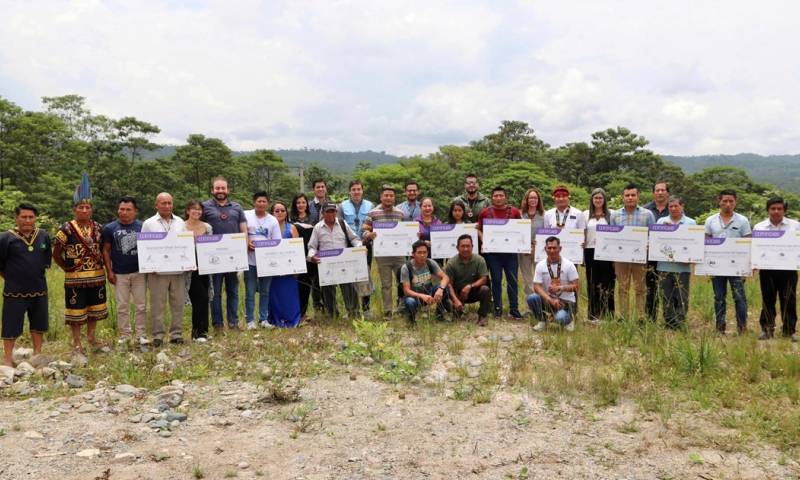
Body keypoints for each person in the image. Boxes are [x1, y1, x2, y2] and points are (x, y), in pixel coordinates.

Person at [52, 174, 108, 357]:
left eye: (87, 207)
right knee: (76, 312)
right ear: (75, 209)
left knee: (94, 310)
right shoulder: (66, 228)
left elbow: (104, 249)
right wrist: (67, 268)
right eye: (81, 207)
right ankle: (77, 343)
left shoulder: (99, 227)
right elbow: (56, 253)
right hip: (75, 279)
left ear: (91, 210)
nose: (84, 210)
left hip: (97, 276)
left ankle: (91, 339)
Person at [0, 204, 51, 367]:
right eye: (24, 217)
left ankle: (37, 355)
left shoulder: (43, 236)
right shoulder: (6, 238)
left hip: (39, 288)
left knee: (39, 323)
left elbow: (46, 260)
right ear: (17, 218)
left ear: (35, 218)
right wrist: (13, 278)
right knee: (10, 324)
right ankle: (8, 358)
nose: (27, 220)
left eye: (31, 217)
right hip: (14, 290)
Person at [202, 176, 247, 332]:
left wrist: (243, 251)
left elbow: (244, 230)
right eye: (217, 188)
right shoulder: (204, 207)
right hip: (213, 258)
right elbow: (197, 227)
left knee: (233, 291)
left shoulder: (237, 207)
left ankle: (233, 323)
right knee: (215, 293)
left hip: (233, 257)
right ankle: (218, 324)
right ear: (212, 190)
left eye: (223, 188)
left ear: (228, 190)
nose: (220, 191)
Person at [704, 189, 752, 335]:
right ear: (719, 201)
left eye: (731, 201)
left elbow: (749, 243)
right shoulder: (710, 220)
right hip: (716, 267)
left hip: (737, 267)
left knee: (739, 297)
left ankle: (742, 328)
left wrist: (749, 265)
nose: (728, 204)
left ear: (735, 202)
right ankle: (720, 328)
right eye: (725, 201)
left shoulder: (743, 220)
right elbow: (705, 242)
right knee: (719, 297)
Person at [141, 192, 186, 346]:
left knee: (178, 303)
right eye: (163, 203)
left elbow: (184, 245)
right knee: (157, 304)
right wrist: (148, 266)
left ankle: (176, 334)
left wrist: (188, 263)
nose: (167, 206)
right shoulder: (148, 223)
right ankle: (158, 335)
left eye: (169, 203)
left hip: (178, 271)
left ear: (173, 204)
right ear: (156, 205)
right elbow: (144, 247)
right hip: (157, 272)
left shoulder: (181, 222)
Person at [101, 196, 146, 347]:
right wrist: (109, 271)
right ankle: (125, 335)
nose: (124, 212)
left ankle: (141, 334)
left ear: (135, 212)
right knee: (122, 306)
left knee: (141, 305)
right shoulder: (109, 228)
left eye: (128, 210)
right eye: (122, 209)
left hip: (140, 271)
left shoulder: (143, 227)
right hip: (119, 272)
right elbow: (106, 251)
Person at [753, 197, 798, 341]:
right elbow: (755, 248)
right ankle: (767, 329)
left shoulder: (796, 226)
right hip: (767, 270)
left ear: (784, 210)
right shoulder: (759, 227)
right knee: (768, 299)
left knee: (789, 300)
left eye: (780, 208)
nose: (776, 211)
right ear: (768, 210)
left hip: (789, 270)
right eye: (773, 208)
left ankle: (789, 331)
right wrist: (754, 263)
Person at [610, 183, 656, 320]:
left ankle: (641, 317)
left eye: (633, 195)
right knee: (623, 288)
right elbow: (611, 237)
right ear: (623, 197)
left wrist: (649, 245)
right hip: (621, 259)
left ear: (638, 196)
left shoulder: (647, 214)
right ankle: (623, 316)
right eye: (627, 195)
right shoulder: (615, 215)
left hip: (640, 258)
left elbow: (654, 235)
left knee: (640, 289)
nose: (630, 198)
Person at [308, 203, 362, 318]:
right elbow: (312, 246)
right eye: (328, 211)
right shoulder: (318, 227)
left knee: (349, 287)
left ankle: (354, 313)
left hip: (344, 263)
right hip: (326, 265)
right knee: (328, 290)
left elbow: (354, 239)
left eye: (333, 211)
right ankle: (332, 315)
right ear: (322, 213)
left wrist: (359, 248)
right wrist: (311, 256)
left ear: (336, 212)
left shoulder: (342, 224)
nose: (331, 214)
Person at [477, 186, 523, 319]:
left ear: (505, 197)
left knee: (512, 281)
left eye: (501, 195)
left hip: (511, 254)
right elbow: (479, 229)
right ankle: (497, 309)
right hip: (493, 254)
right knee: (496, 281)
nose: (498, 198)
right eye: (495, 196)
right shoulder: (485, 212)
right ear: (492, 198)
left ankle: (514, 309)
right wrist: (483, 240)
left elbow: (521, 229)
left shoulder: (514, 212)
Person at [362, 185, 406, 318]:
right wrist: (368, 235)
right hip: (382, 255)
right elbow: (364, 231)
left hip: (399, 254)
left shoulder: (400, 213)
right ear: (381, 197)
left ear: (394, 198)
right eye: (386, 195)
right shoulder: (372, 213)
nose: (388, 198)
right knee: (386, 284)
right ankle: (388, 311)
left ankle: (402, 307)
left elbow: (405, 231)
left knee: (403, 281)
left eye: (391, 196)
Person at [656, 196, 695, 329]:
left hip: (683, 267)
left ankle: (680, 322)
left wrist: (691, 257)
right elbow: (657, 242)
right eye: (670, 206)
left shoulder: (691, 223)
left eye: (676, 206)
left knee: (682, 297)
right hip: (663, 266)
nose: (673, 208)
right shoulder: (661, 221)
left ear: (682, 206)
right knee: (666, 296)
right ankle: (669, 323)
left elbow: (695, 244)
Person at [243, 191, 281, 329]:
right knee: (250, 291)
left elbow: (277, 241)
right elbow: (240, 233)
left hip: (266, 263)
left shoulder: (272, 220)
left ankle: (263, 319)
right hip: (250, 261)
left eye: (264, 201)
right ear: (254, 202)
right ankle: (250, 320)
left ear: (267, 203)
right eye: (259, 201)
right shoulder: (246, 215)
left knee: (265, 291)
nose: (261, 203)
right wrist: (247, 243)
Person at [528, 236, 580, 332]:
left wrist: (562, 288)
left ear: (560, 248)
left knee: (560, 318)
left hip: (565, 302)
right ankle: (542, 321)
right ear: (545, 249)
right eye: (549, 248)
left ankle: (569, 320)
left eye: (554, 248)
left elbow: (576, 286)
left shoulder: (569, 265)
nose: (552, 251)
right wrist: (550, 299)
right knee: (532, 298)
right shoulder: (540, 265)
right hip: (549, 300)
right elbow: (536, 286)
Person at [339, 180, 374, 312]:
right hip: (349, 247)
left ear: (362, 190)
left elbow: (373, 225)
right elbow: (340, 225)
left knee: (365, 276)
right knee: (350, 277)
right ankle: (352, 309)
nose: (356, 192)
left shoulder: (370, 206)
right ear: (349, 191)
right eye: (353, 189)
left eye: (359, 189)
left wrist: (368, 236)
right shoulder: (342, 206)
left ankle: (366, 308)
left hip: (366, 246)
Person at [583, 188, 615, 321]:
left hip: (607, 252)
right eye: (595, 198)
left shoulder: (612, 214)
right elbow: (582, 233)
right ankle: (592, 314)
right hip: (590, 251)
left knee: (608, 282)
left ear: (604, 200)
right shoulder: (585, 214)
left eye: (600, 198)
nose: (598, 200)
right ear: (592, 199)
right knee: (592, 282)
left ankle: (608, 315)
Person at [268, 201, 301, 327]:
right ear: (272, 213)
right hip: (273, 269)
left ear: (286, 213)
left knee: (289, 294)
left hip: (289, 270)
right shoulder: (268, 228)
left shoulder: (291, 228)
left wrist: (297, 268)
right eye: (277, 211)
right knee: (274, 294)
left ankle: (291, 319)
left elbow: (297, 249)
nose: (280, 213)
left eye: (282, 210)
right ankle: (274, 319)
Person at [445, 234, 491, 326]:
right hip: (458, 294)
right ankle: (456, 309)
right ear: (457, 248)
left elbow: (484, 279)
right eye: (462, 246)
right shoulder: (451, 263)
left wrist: (470, 286)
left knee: (485, 289)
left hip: (473, 291)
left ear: (472, 247)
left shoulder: (480, 260)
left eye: (468, 246)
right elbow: (449, 285)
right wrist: (455, 300)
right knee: (446, 291)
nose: (465, 249)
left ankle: (482, 316)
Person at [184, 200, 213, 342]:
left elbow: (211, 247)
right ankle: (198, 332)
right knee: (199, 298)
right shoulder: (181, 227)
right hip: (189, 268)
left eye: (199, 209)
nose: (197, 211)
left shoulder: (207, 227)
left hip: (205, 267)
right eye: (193, 209)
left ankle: (202, 332)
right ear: (188, 211)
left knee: (205, 298)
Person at [400, 241, 450, 323]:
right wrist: (421, 296)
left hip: (429, 294)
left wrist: (440, 289)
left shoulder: (430, 262)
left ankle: (440, 315)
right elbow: (406, 290)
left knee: (444, 288)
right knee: (410, 302)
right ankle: (411, 321)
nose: (422, 255)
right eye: (419, 252)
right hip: (414, 296)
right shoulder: (406, 267)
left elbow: (445, 277)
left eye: (425, 252)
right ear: (413, 254)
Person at [644, 182, 671, 322]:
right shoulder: (646, 210)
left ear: (667, 193)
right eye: (657, 190)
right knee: (650, 288)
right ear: (653, 192)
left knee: (668, 288)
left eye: (663, 190)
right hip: (650, 257)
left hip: (668, 256)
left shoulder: (674, 208)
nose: (660, 192)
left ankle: (669, 319)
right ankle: (650, 318)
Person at [291, 193, 320, 321]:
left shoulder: (314, 219)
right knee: (300, 286)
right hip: (297, 257)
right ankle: (300, 314)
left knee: (314, 285)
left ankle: (319, 310)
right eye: (298, 203)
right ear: (294, 205)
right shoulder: (290, 219)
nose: (301, 205)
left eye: (303, 202)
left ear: (307, 204)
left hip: (312, 256)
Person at [519, 187, 545, 297]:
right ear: (526, 199)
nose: (533, 200)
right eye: (530, 198)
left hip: (539, 250)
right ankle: (530, 305)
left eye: (535, 198)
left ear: (538, 200)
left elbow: (547, 233)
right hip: (524, 251)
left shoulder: (544, 215)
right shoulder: (520, 215)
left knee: (540, 278)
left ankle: (542, 303)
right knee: (527, 279)